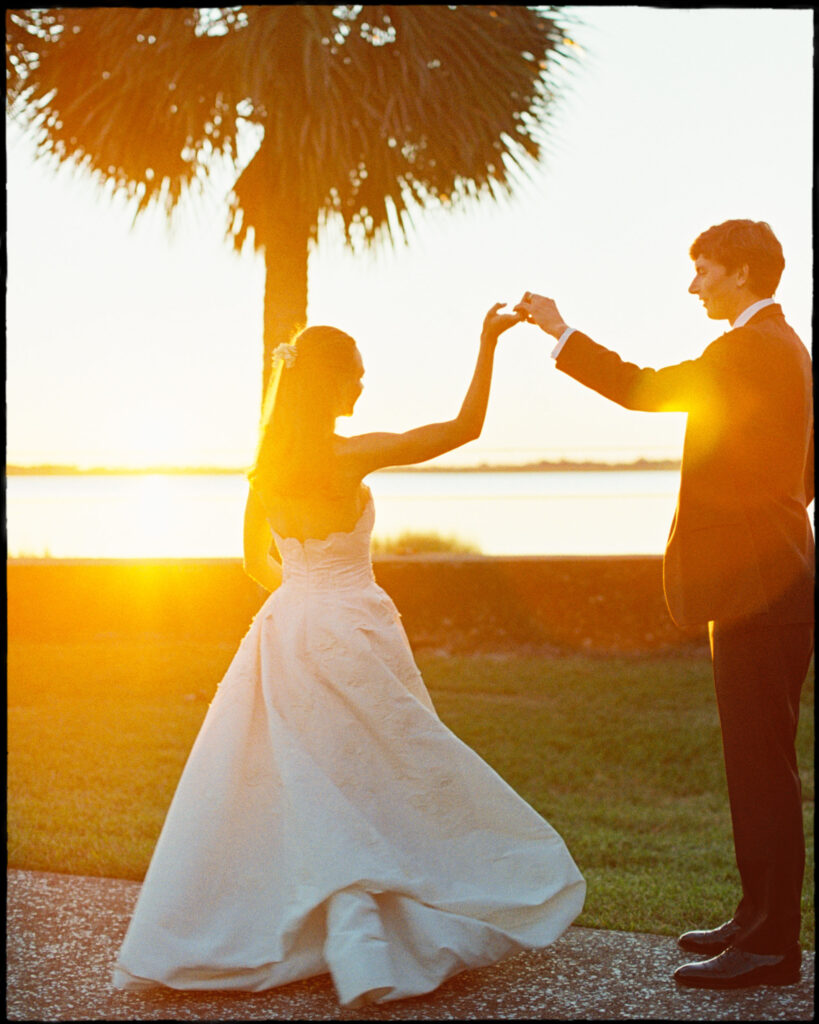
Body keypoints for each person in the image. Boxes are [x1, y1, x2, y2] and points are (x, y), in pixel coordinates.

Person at [112, 304, 585, 1008]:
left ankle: (343, 930)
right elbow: (463, 429)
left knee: (310, 783)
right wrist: (486, 343)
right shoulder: (348, 454)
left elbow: (254, 565)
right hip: (350, 629)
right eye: (355, 378)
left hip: (286, 627)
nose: (360, 391)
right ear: (328, 383)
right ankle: (364, 937)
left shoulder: (264, 472)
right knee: (378, 773)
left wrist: (307, 591)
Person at [515, 219, 814, 991]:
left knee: (761, 770)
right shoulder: (785, 348)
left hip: (758, 591)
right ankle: (756, 918)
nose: (693, 287)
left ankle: (772, 947)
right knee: (757, 764)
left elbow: (643, 390)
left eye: (704, 272)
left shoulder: (744, 350)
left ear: (742, 274)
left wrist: (558, 331)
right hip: (773, 580)